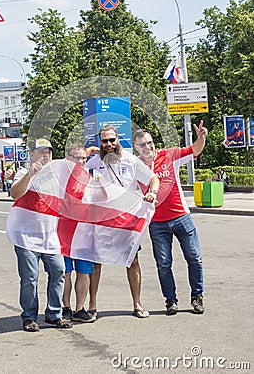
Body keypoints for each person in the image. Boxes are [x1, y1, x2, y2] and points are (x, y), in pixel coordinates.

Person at [133, 120, 208, 315]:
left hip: (181, 217)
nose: (148, 147)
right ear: (136, 148)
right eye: (143, 145)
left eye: (150, 142)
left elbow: (195, 151)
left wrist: (201, 138)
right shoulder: (134, 167)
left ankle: (197, 296)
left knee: (194, 258)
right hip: (157, 223)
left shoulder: (169, 155)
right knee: (164, 263)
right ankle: (170, 300)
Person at [86, 125, 160, 319]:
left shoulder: (130, 159)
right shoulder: (94, 162)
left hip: (127, 220)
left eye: (112, 140)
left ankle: (137, 304)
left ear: (118, 139)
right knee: (96, 261)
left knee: (132, 261)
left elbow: (153, 178)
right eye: (104, 141)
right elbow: (75, 171)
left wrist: (152, 192)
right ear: (100, 142)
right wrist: (89, 152)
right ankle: (92, 306)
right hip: (102, 220)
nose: (109, 144)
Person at [10, 138, 72, 332]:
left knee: (58, 271)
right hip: (26, 237)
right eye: (42, 152)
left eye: (49, 152)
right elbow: (15, 193)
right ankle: (29, 316)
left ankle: (54, 313)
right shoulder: (23, 172)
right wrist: (31, 174)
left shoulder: (56, 175)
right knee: (30, 278)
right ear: (32, 155)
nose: (46, 155)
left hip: (50, 237)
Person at [62, 145, 96, 323]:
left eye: (84, 158)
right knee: (65, 272)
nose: (82, 162)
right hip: (63, 233)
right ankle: (66, 307)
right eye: (77, 158)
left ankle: (79, 309)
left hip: (84, 233)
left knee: (84, 272)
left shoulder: (90, 179)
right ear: (68, 158)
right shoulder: (60, 178)